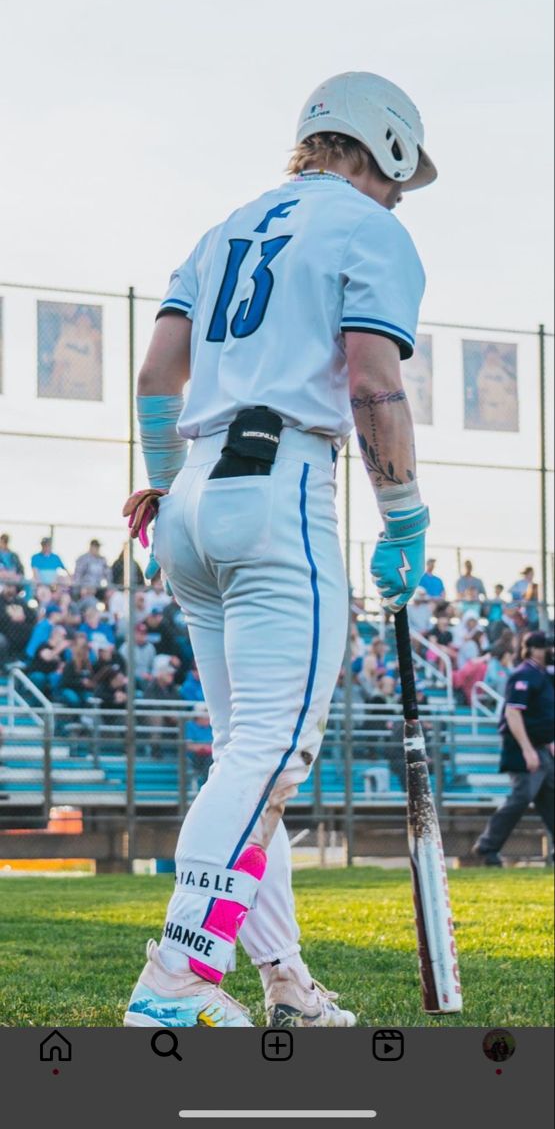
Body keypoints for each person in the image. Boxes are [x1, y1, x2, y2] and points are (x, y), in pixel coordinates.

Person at [123, 70, 434, 1030]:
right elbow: (371, 378)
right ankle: (176, 978)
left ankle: (286, 980)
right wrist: (407, 517)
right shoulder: (369, 228)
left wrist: (168, 474)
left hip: (192, 493)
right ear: (379, 148)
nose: (397, 191)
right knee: (271, 752)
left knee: (245, 761)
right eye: (397, 173)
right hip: (280, 489)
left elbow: (156, 372)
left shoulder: (226, 227)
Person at [473, 631, 554, 866]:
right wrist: (528, 750)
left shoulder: (543, 676)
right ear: (533, 650)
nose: (551, 651)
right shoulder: (524, 675)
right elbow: (513, 712)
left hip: (541, 747)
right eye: (548, 647)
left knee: (550, 798)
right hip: (522, 747)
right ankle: (487, 847)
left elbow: (543, 716)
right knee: (521, 797)